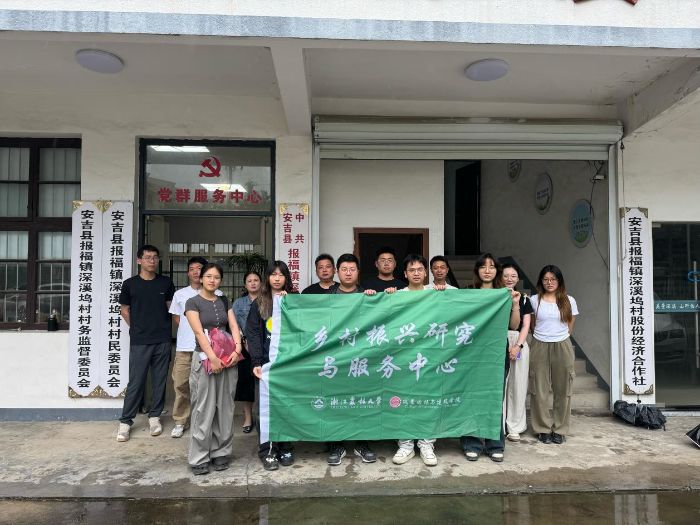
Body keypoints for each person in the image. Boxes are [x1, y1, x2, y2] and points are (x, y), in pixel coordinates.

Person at [459, 253, 520, 462]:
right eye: (483, 266)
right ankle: (471, 443)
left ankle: (495, 444)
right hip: (471, 352)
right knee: (471, 397)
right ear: (477, 270)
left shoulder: (504, 293)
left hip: (496, 352)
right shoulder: (467, 292)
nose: (487, 270)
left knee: (494, 397)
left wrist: (514, 303)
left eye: (492, 266)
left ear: (497, 271)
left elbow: (513, 325)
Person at [387, 254, 446, 466]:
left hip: (429, 358)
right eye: (412, 270)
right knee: (403, 399)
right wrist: (387, 297)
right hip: (404, 358)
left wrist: (444, 295)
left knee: (428, 400)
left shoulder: (436, 293)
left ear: (425, 272)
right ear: (405, 274)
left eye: (420, 269)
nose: (416, 273)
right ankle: (406, 445)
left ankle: (427, 444)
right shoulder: (397, 295)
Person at [185, 262, 242, 475]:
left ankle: (221, 452)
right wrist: (212, 357)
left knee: (225, 407)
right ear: (201, 278)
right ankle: (199, 457)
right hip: (205, 359)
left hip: (228, 359)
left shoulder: (224, 300)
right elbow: (199, 332)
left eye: (216, 277)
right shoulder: (193, 302)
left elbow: (233, 326)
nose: (212, 280)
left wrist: (237, 349)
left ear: (220, 280)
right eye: (208, 276)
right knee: (203, 408)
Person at [116, 245, 175, 442]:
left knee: (159, 380)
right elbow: (124, 310)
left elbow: (171, 308)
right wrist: (137, 328)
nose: (152, 261)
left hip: (162, 339)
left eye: (155, 257)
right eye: (148, 257)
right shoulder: (130, 284)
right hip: (140, 340)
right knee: (136, 381)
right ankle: (125, 421)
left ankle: (154, 417)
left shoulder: (165, 283)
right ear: (139, 260)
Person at [327, 253, 378, 466]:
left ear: (358, 272)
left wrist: (379, 298)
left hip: (361, 359)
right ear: (337, 272)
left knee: (361, 401)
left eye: (352, 269)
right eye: (344, 269)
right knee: (335, 401)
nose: (348, 273)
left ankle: (361, 443)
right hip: (336, 360)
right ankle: (336, 445)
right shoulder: (326, 297)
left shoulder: (368, 295)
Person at [247, 261, 297, 471]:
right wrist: (257, 362)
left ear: (287, 278)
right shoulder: (259, 303)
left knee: (287, 406)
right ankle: (267, 450)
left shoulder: (294, 300)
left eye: (281, 275)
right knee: (265, 409)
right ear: (268, 278)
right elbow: (253, 334)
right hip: (266, 365)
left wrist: (289, 303)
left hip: (288, 365)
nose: (277, 278)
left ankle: (285, 446)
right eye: (273, 274)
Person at [168, 256, 219, 439]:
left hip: (209, 349)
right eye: (192, 269)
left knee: (206, 387)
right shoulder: (180, 294)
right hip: (185, 348)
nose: (196, 272)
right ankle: (181, 421)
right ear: (188, 273)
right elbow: (177, 318)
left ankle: (205, 421)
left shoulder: (218, 294)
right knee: (181, 384)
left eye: (200, 268)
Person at [529, 265, 579, 445]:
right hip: (539, 344)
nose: (549, 283)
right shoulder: (534, 300)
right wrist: (543, 337)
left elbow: (570, 325)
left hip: (562, 345)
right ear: (541, 281)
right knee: (539, 389)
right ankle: (542, 428)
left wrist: (559, 338)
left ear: (559, 281)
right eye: (546, 279)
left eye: (553, 279)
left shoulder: (569, 300)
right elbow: (532, 324)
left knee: (563, 389)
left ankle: (560, 429)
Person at [501, 263, 534, 442]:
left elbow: (526, 325)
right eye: (506, 275)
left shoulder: (524, 299)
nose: (509, 279)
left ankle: (514, 426)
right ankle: (499, 425)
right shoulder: (495, 296)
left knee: (518, 385)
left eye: (513, 276)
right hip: (499, 341)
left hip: (518, 341)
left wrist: (517, 346)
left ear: (518, 279)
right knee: (500, 385)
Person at [232, 271, 261, 434]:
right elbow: (234, 325)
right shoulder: (239, 303)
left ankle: (262, 417)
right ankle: (248, 418)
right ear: (245, 284)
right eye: (249, 281)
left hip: (263, 347)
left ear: (261, 283)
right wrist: (243, 341)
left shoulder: (266, 300)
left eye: (256, 280)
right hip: (244, 348)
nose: (253, 283)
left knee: (262, 383)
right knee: (246, 384)